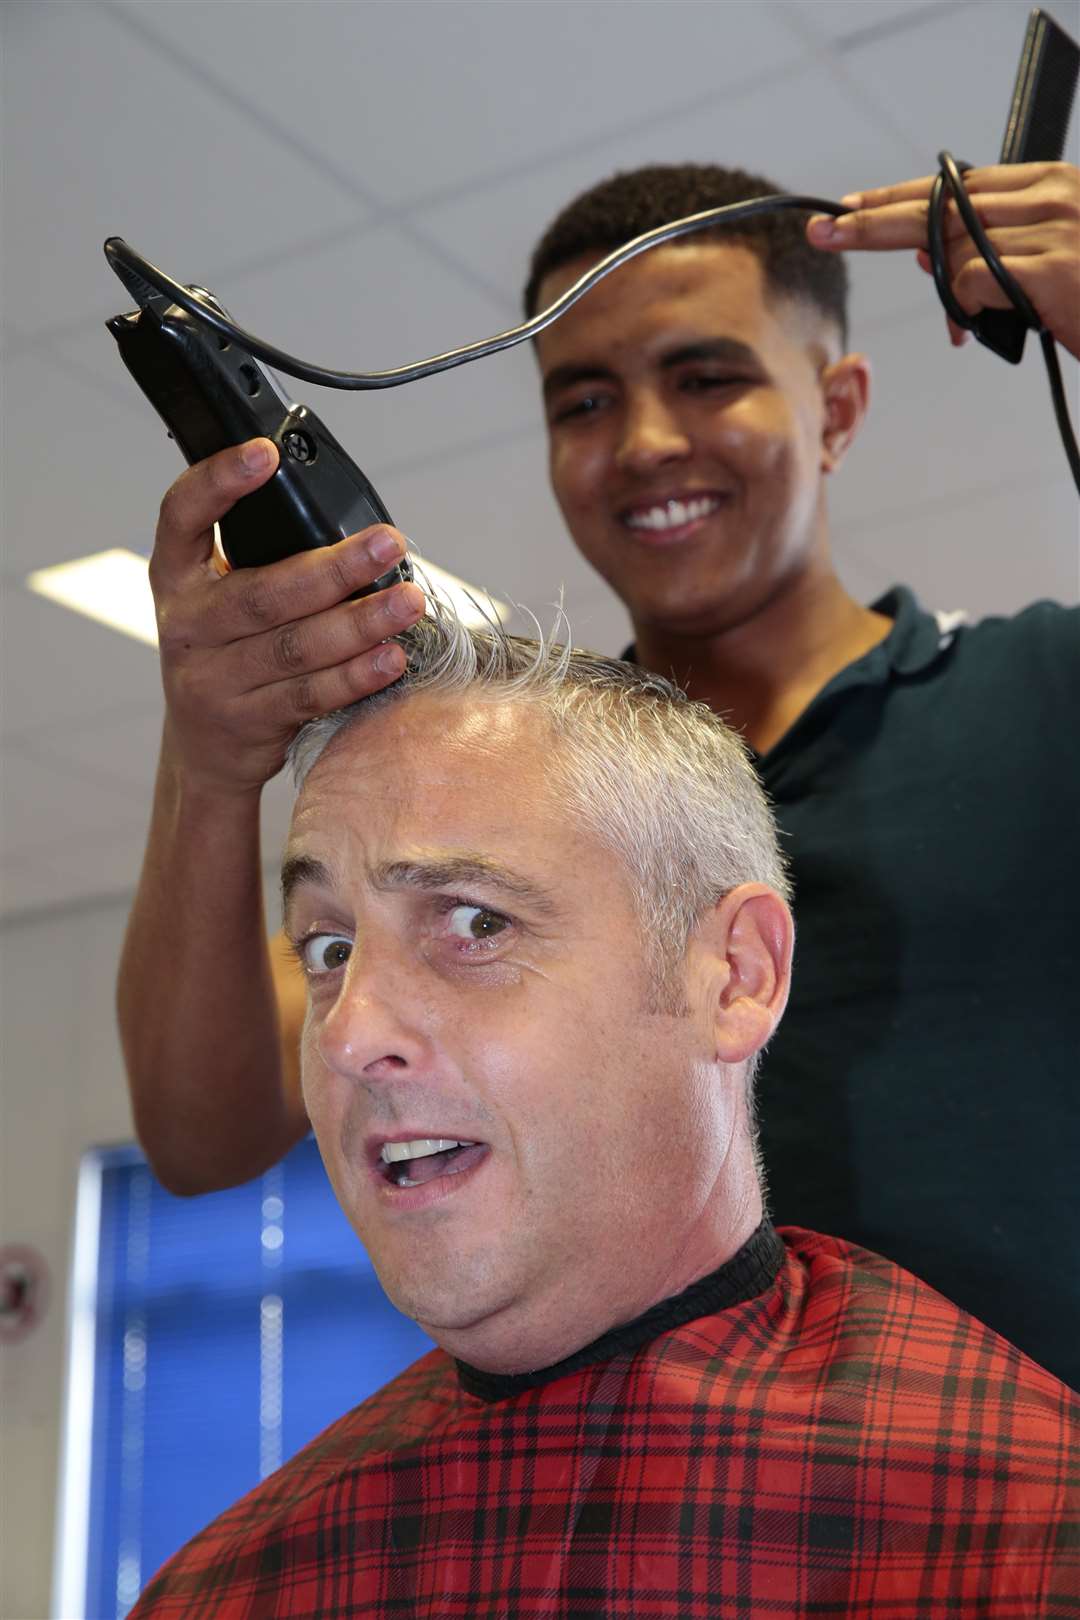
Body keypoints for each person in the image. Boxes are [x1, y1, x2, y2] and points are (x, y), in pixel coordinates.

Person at [116, 160, 1080, 1385]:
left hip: (999, 1518)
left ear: (836, 409)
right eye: (583, 403)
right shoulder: (506, 787)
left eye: (707, 377)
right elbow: (200, 1137)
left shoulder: (1049, 690)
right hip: (621, 1524)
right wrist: (207, 771)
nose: (645, 443)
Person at [127, 611, 1078, 1618]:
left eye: (475, 923)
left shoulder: (1024, 1535)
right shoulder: (231, 1590)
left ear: (736, 977)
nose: (348, 1034)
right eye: (328, 949)